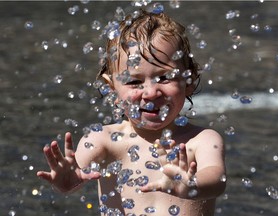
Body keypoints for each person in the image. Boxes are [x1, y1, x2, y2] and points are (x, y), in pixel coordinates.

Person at [37, 7, 226, 216]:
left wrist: (190, 185)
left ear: (188, 80)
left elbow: (217, 180)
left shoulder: (202, 140)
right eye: (134, 81)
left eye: (164, 78)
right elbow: (76, 176)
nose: (151, 92)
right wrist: (67, 183)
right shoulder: (103, 140)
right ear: (111, 89)